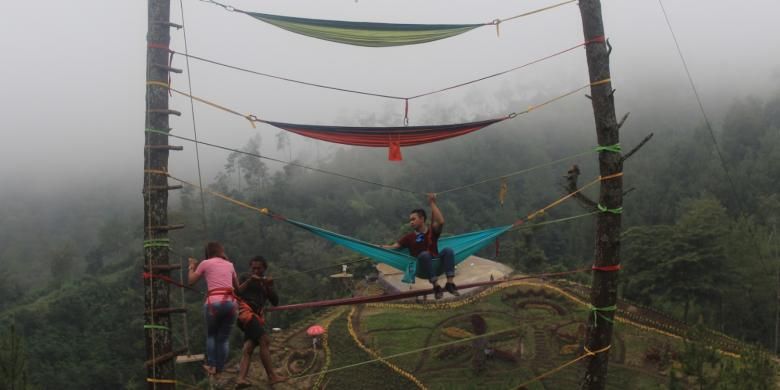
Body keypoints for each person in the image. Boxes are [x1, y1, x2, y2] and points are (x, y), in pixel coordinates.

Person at [383, 193, 459, 299]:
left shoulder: (432, 232)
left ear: (422, 219)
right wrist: (379, 247)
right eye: (410, 220)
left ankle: (450, 283)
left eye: (413, 219)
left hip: (435, 261)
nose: (411, 222)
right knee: (424, 254)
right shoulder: (409, 237)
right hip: (420, 265)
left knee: (448, 250)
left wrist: (432, 203)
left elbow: (441, 221)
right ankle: (436, 286)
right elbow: (394, 246)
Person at [188, 241, 240, 376]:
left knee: (211, 335)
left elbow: (191, 281)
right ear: (221, 251)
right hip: (230, 304)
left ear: (208, 253)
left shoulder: (205, 263)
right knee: (223, 339)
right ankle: (220, 368)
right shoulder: (230, 265)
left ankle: (211, 366)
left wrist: (191, 267)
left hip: (213, 303)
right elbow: (238, 287)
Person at [235, 256, 287, 388]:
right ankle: (272, 376)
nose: (256, 271)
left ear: (264, 269)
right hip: (246, 313)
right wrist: (249, 280)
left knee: (249, 347)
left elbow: (275, 301)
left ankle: (241, 379)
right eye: (253, 268)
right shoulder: (245, 277)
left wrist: (269, 286)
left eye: (259, 268)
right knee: (264, 340)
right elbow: (236, 292)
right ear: (250, 268)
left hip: (256, 317)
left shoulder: (265, 283)